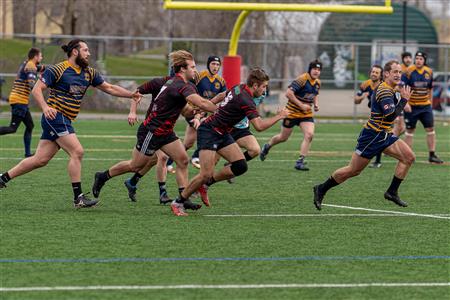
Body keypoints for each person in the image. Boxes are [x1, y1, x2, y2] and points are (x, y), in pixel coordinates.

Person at [0, 39, 142, 208]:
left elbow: (109, 88)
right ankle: (78, 198)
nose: (89, 54)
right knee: (77, 151)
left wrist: (131, 95)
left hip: (65, 119)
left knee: (40, 159)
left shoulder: (89, 72)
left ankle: (2, 178)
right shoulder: (58, 69)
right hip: (55, 117)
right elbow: (37, 89)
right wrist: (45, 108)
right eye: (85, 50)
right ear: (75, 51)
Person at [91, 50, 218, 207]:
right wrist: (220, 109)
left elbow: (185, 110)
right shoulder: (180, 85)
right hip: (151, 132)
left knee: (183, 160)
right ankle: (103, 176)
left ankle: (183, 199)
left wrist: (194, 110)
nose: (195, 70)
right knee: (135, 165)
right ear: (182, 69)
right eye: (192, 67)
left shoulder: (178, 83)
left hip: (166, 132)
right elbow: (203, 103)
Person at [170, 68, 288, 216]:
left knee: (240, 166)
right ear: (255, 85)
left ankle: (206, 185)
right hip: (209, 132)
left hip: (223, 133)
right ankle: (178, 201)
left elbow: (221, 95)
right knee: (205, 174)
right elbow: (259, 126)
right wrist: (279, 116)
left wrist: (205, 107)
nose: (265, 90)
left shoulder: (239, 87)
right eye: (263, 86)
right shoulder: (246, 99)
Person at [313, 60, 415, 210]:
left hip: (384, 134)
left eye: (400, 72)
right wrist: (404, 100)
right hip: (373, 136)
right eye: (395, 72)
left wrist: (401, 98)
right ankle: (321, 188)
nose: (398, 74)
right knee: (353, 170)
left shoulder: (390, 88)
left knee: (409, 158)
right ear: (386, 74)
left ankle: (392, 192)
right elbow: (389, 117)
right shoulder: (385, 91)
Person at [166, 55, 226, 172]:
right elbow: (185, 83)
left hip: (204, 112)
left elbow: (223, 97)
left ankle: (168, 163)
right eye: (213, 64)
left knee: (188, 143)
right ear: (208, 64)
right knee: (209, 129)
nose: (215, 67)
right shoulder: (199, 76)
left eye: (218, 65)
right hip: (192, 110)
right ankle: (195, 157)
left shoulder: (221, 81)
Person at [260, 60, 322, 171]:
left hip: (305, 114)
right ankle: (267, 146)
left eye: (318, 70)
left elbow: (315, 94)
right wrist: (301, 105)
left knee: (309, 135)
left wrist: (316, 104)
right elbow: (288, 93)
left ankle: (300, 161)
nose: (316, 71)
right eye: (314, 69)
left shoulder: (318, 83)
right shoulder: (302, 79)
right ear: (310, 69)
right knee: (283, 137)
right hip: (291, 112)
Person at [0, 48, 44, 157]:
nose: (41, 58)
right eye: (40, 56)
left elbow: (38, 68)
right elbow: (31, 84)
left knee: (30, 125)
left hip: (20, 100)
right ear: (35, 57)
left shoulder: (27, 63)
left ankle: (28, 154)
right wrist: (43, 85)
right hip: (19, 100)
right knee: (12, 128)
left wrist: (48, 69)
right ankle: (28, 153)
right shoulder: (30, 66)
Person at [402, 51, 444, 164]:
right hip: (412, 107)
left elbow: (430, 88)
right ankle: (407, 155)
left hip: (425, 107)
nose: (418, 60)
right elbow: (402, 87)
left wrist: (430, 102)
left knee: (430, 129)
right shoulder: (408, 71)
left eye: (420, 58)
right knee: (410, 130)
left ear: (424, 60)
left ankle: (432, 155)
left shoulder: (429, 72)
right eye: (417, 58)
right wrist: (406, 103)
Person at [354, 64, 383, 168]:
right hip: (375, 116)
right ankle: (375, 160)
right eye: (373, 72)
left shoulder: (384, 86)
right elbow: (355, 101)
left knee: (379, 136)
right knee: (377, 136)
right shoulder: (365, 84)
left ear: (381, 75)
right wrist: (362, 97)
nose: (374, 74)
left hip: (384, 116)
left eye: (377, 72)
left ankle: (377, 161)